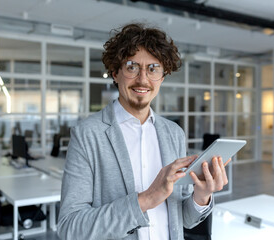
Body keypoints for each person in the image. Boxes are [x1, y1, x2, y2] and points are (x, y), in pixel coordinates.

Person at [57, 23, 229, 240]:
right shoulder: (87, 135)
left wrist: (201, 195)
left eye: (153, 68)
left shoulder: (174, 133)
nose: (143, 79)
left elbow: (181, 218)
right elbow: (70, 228)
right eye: (131, 66)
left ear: (162, 78)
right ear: (115, 73)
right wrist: (147, 199)